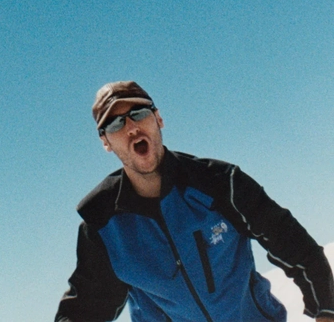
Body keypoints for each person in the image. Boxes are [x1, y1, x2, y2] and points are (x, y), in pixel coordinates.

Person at [55, 80, 334, 322]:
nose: (131, 127)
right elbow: (85, 307)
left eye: (138, 113)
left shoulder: (220, 183)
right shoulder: (104, 225)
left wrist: (326, 310)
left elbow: (297, 248)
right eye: (115, 123)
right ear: (105, 142)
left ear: (158, 119)